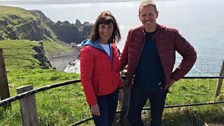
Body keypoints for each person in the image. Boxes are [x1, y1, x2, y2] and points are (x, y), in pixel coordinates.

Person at [119, 0, 197, 126]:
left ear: (157, 14)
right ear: (139, 17)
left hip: (160, 87)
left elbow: (191, 55)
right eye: (143, 15)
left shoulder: (171, 34)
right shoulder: (133, 33)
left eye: (150, 14)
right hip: (139, 86)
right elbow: (124, 58)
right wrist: (110, 71)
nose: (147, 18)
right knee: (132, 117)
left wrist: (173, 78)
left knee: (156, 121)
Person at [80, 10, 123, 126]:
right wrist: (93, 103)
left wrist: (120, 87)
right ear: (97, 28)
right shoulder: (88, 50)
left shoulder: (113, 46)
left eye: (109, 27)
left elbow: (115, 70)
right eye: (102, 27)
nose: (106, 31)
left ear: (114, 29)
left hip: (113, 94)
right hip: (99, 98)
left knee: (109, 123)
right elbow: (85, 79)